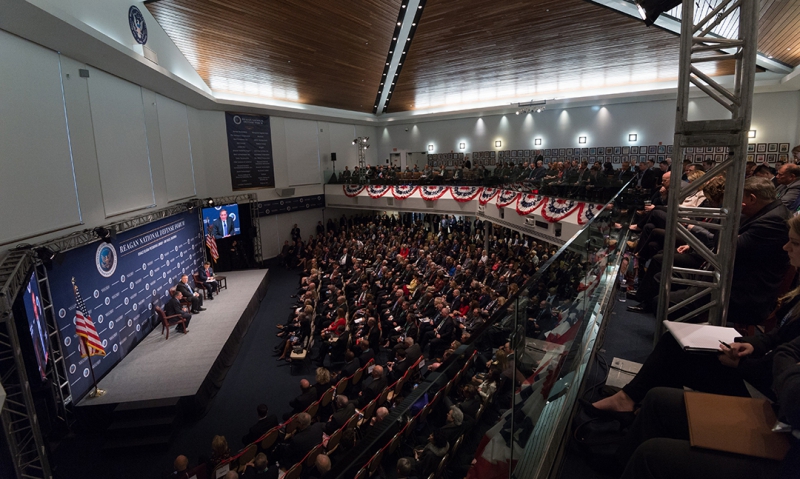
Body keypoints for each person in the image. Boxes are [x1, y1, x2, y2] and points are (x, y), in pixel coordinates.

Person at [586, 212, 800, 417]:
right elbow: (780, 336)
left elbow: (787, 373)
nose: (785, 247)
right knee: (674, 342)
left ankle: (649, 406)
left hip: (769, 390)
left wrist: (742, 364)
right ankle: (632, 400)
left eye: (795, 243)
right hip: (759, 364)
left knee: (673, 361)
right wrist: (754, 345)